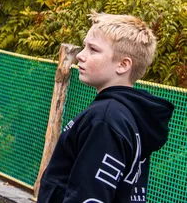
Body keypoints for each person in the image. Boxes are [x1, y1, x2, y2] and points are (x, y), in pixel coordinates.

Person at [36, 13, 172, 203]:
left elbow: (89, 196)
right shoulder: (130, 116)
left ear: (123, 65)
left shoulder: (106, 118)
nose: (81, 55)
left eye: (93, 49)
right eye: (84, 46)